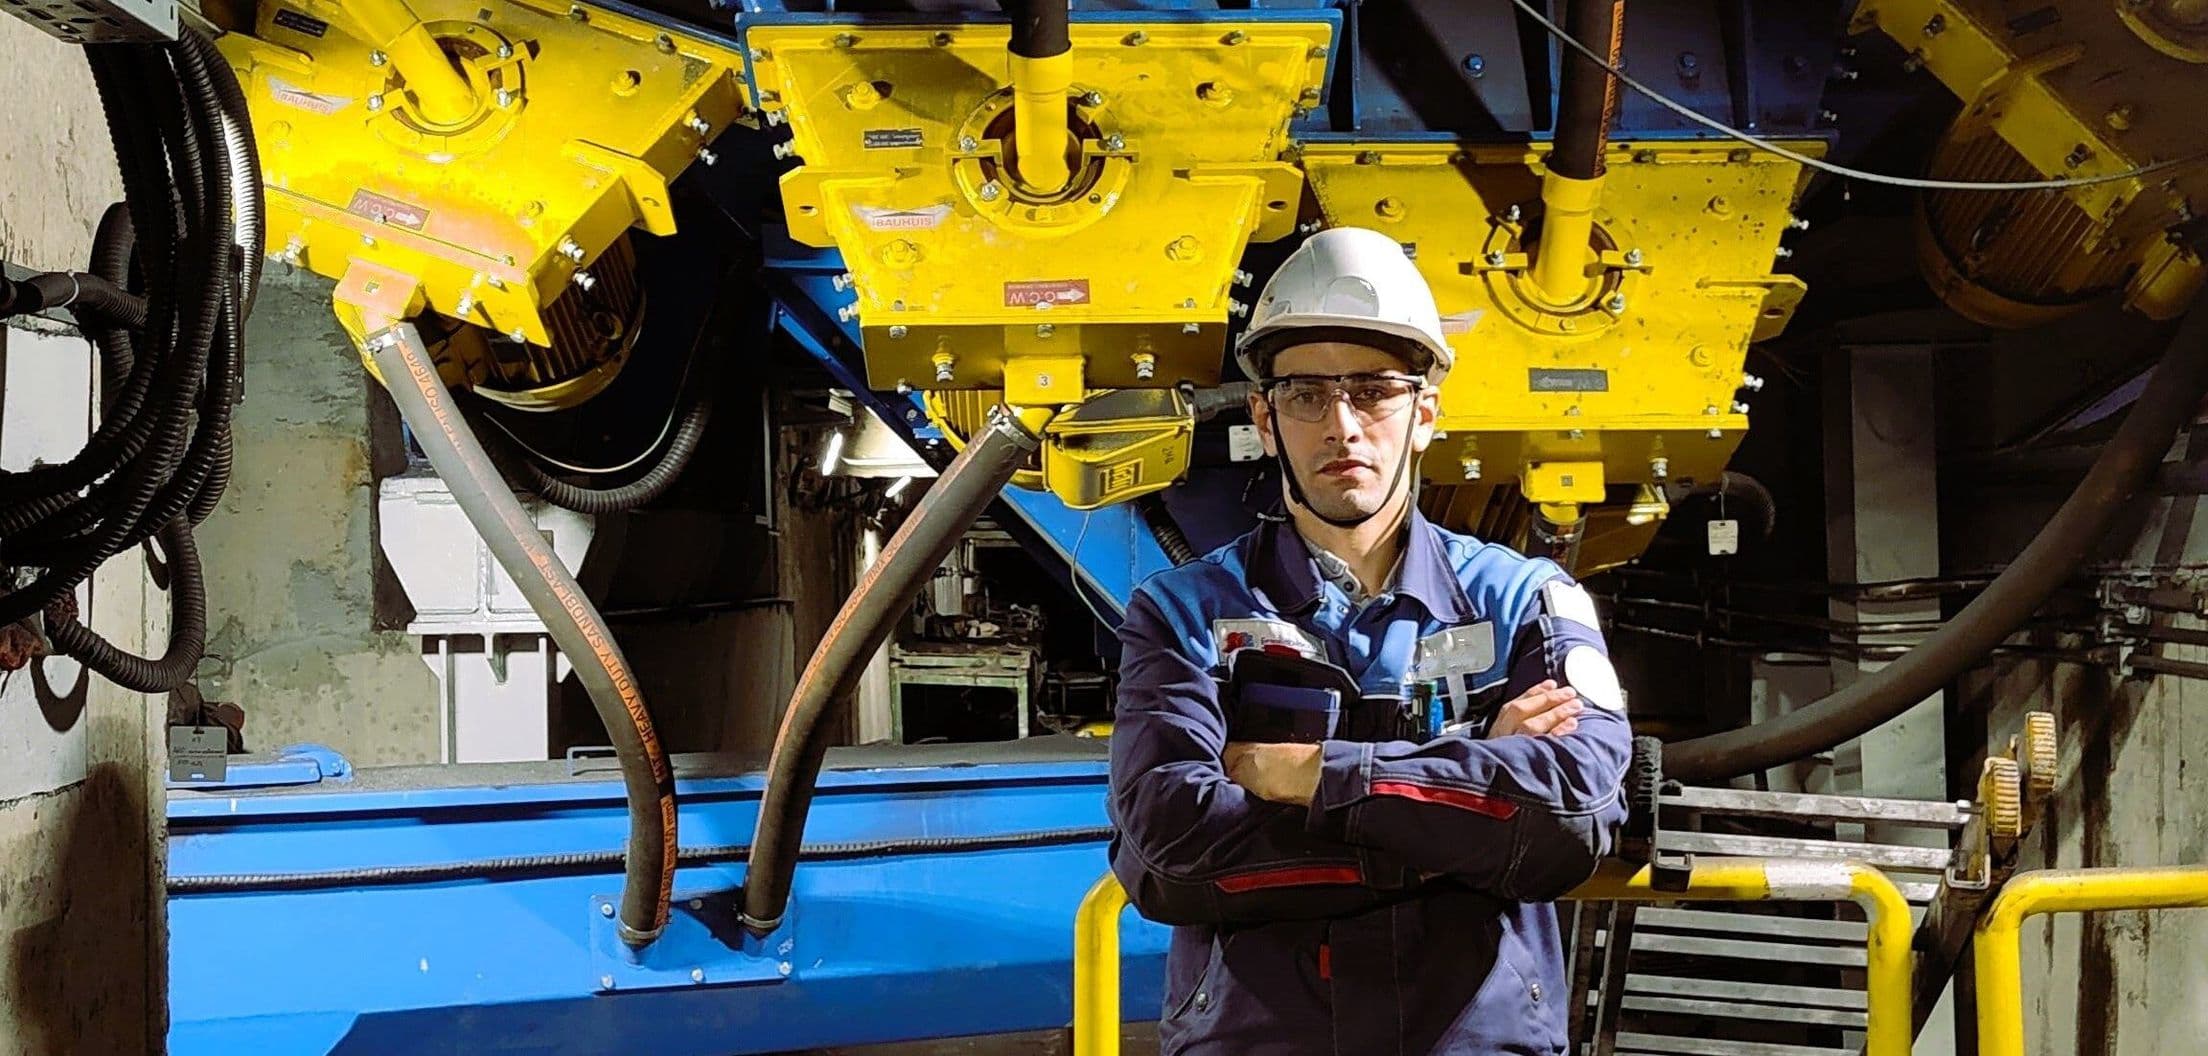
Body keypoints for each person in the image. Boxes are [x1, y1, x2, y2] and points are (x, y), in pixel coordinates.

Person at [1106, 226, 1634, 1055]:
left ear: (1424, 414)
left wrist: (1308, 776)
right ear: (1264, 417)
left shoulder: (1527, 600)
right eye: (1306, 395)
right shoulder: (1183, 611)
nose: (1342, 426)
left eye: (1375, 391)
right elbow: (1169, 850)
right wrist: (1461, 824)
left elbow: (1570, 820)